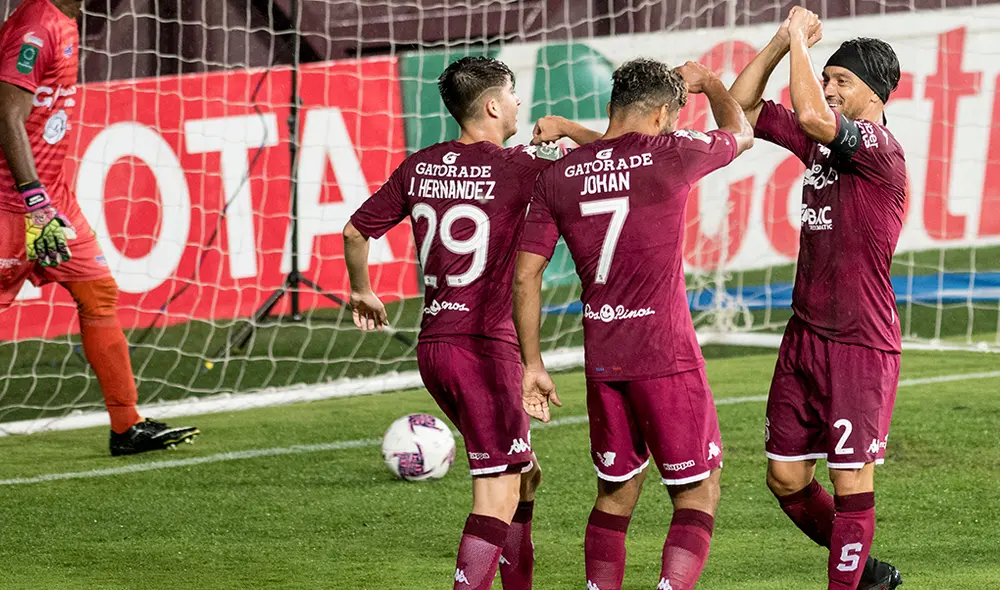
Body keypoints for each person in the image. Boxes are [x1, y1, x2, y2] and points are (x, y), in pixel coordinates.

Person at [343, 55, 599, 590]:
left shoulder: (420, 165)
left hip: (435, 346)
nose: (519, 104)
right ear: (490, 105)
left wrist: (363, 290)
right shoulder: (519, 166)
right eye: (511, 94)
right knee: (497, 492)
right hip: (484, 349)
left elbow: (353, 232)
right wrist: (569, 130)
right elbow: (613, 154)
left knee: (525, 477)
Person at [513, 57, 753, 590]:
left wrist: (532, 364)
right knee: (697, 490)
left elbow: (525, 278)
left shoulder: (558, 176)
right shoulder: (674, 152)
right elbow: (742, 132)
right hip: (665, 355)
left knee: (617, 492)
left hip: (601, 357)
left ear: (611, 106)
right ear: (666, 114)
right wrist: (712, 82)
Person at [728, 6, 905, 589]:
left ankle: (846, 582)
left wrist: (802, 46)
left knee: (852, 480)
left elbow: (808, 112)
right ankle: (867, 570)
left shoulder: (879, 147)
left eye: (840, 81)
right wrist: (782, 42)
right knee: (785, 477)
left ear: (873, 94)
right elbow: (739, 110)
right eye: (825, 78)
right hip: (804, 335)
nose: (828, 89)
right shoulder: (823, 147)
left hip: (859, 341)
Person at [0, 0, 198, 455]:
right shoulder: (36, 27)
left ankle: (127, 426)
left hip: (52, 200)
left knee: (98, 291)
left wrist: (44, 201)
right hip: (14, 204)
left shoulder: (64, 22)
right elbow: (6, 114)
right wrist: (33, 201)